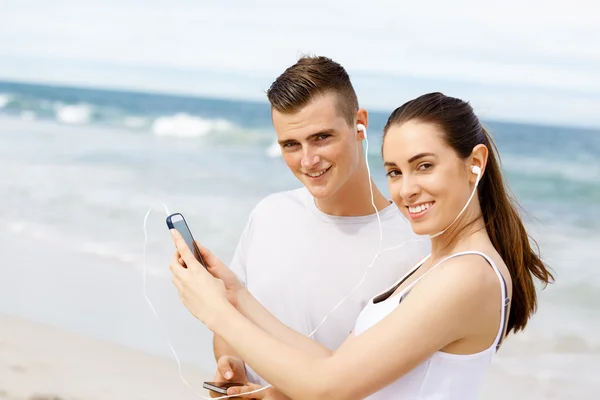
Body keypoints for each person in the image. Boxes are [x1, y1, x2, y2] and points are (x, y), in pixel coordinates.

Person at [171, 92, 556, 399]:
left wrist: (216, 313)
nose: (407, 189)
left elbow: (326, 387)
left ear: (475, 162)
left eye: (424, 166)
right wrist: (238, 298)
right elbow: (335, 366)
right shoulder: (437, 265)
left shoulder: (469, 275)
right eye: (394, 171)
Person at [210, 55, 431, 393]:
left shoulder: (415, 249)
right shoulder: (270, 214)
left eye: (322, 138)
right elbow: (231, 325)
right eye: (291, 145)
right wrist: (232, 366)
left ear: (359, 124)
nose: (308, 160)